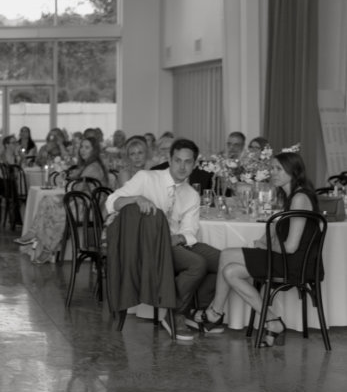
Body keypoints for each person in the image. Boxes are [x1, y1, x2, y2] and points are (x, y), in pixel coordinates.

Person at [193, 151, 318, 345]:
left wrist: (266, 244)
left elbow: (291, 246)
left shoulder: (300, 198)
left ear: (294, 171)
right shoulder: (292, 196)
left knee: (226, 254)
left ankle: (214, 312)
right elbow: (280, 229)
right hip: (287, 260)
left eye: (278, 169)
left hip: (294, 264)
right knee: (230, 271)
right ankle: (272, 321)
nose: (272, 173)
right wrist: (266, 241)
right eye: (272, 168)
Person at [105, 139, 221, 341]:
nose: (182, 166)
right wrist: (136, 199)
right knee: (197, 264)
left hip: (175, 241)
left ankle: (195, 311)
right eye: (177, 161)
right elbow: (111, 202)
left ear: (194, 163)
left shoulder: (192, 194)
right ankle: (174, 314)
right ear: (169, 159)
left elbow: (190, 230)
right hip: (149, 245)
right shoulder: (146, 178)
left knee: (222, 261)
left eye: (187, 162)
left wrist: (177, 239)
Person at [19, 136, 108, 264]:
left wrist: (69, 184)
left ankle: (45, 246)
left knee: (52, 206)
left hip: (89, 208)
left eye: (87, 147)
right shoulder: (89, 165)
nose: (82, 150)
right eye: (82, 147)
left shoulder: (93, 168)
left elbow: (79, 189)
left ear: (94, 150)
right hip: (80, 202)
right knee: (48, 200)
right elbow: (78, 188)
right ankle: (40, 241)